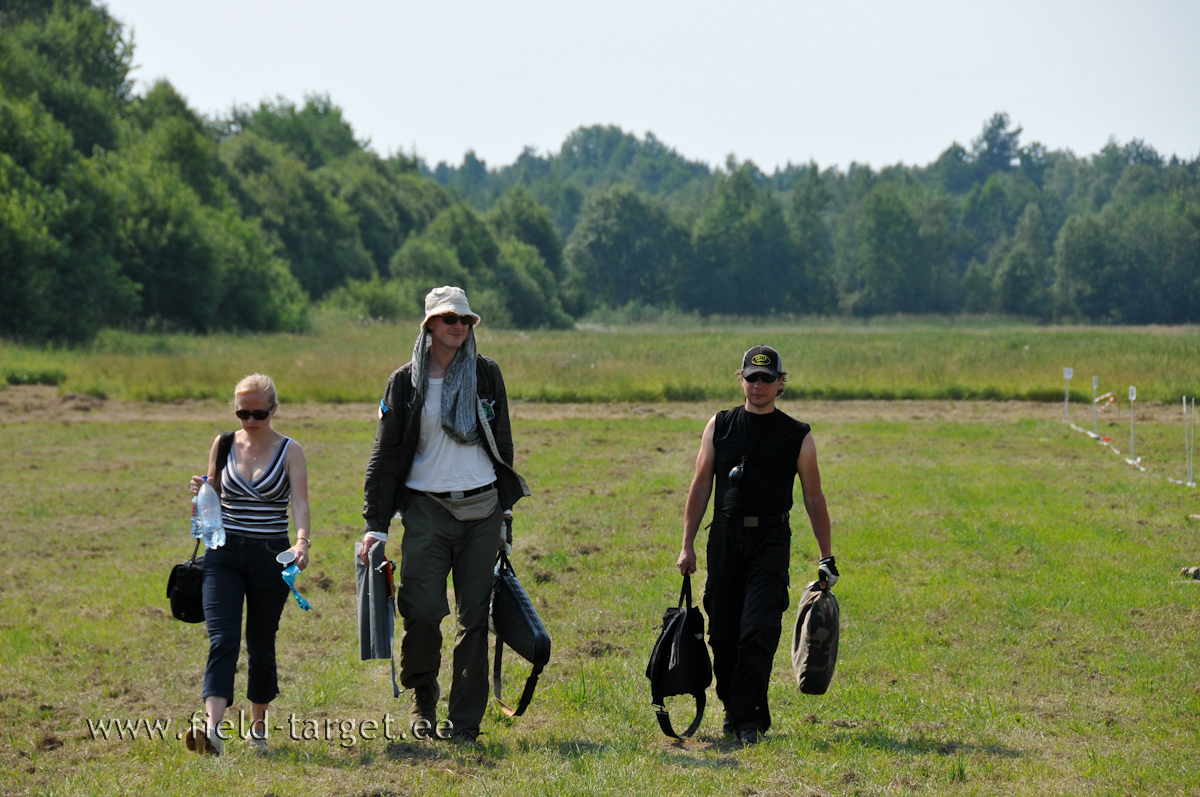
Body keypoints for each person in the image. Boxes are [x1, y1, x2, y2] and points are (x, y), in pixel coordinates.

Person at [361, 285, 529, 748]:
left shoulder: (486, 374)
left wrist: (506, 512)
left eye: (465, 320)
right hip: (425, 509)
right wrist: (376, 524)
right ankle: (424, 696)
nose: (459, 326)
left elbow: (504, 443)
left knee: (475, 619)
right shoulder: (405, 382)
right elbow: (386, 454)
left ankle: (465, 722)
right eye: (450, 319)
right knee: (421, 613)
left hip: (482, 509)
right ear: (430, 324)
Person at [676, 345, 837, 744]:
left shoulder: (798, 435)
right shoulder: (720, 425)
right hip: (725, 537)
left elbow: (814, 499)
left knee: (759, 629)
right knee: (724, 633)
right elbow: (700, 486)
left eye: (768, 378)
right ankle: (734, 709)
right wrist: (687, 544)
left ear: (782, 383)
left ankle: (749, 721)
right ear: (741, 380)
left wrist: (825, 555)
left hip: (770, 539)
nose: (759, 384)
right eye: (752, 377)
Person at [185, 373, 311, 756]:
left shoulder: (291, 450)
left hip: (270, 555)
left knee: (260, 643)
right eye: (243, 413)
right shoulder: (223, 444)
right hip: (222, 553)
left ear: (273, 410)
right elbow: (210, 499)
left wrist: (302, 541)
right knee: (222, 639)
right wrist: (200, 491)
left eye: (259, 413)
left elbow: (300, 503)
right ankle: (213, 731)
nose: (251, 421)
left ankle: (258, 732)